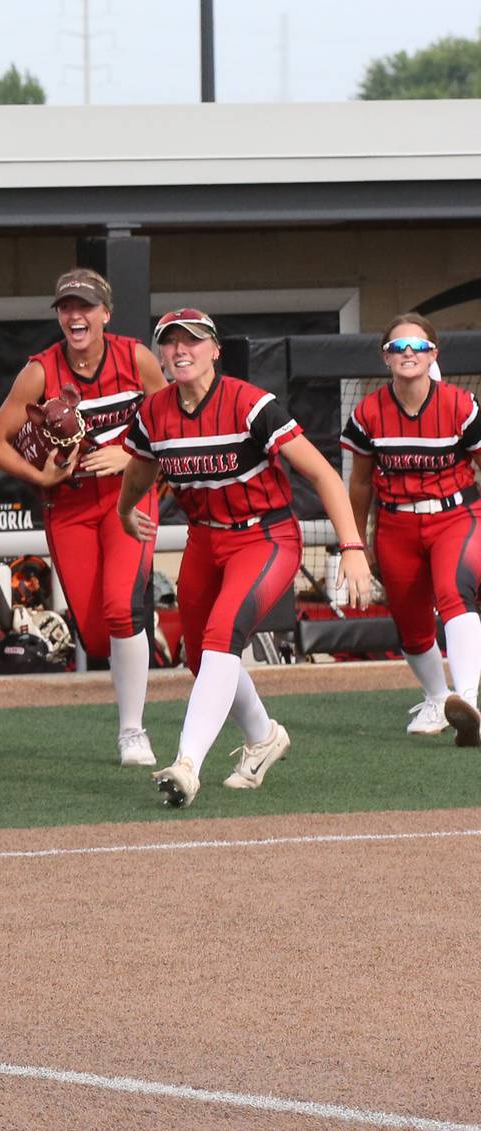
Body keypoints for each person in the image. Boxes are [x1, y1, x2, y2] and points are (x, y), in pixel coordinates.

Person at [118, 309, 372, 807]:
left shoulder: (252, 404)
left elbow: (322, 474)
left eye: (192, 341)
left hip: (265, 536)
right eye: (169, 343)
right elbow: (138, 470)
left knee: (220, 638)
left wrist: (353, 547)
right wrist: (126, 509)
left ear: (216, 350)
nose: (180, 350)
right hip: (204, 540)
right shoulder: (153, 413)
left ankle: (187, 765)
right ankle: (263, 737)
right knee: (199, 654)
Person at [0, 268, 167, 766]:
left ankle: (132, 731)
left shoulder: (136, 357)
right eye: (66, 306)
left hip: (129, 498)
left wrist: (132, 457)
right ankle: (128, 666)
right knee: (96, 631)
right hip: (71, 505)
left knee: (122, 608)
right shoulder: (40, 372)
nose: (75, 315)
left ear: (105, 313)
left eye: (85, 306)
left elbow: (175, 424)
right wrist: (41, 478)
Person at [342, 314, 481, 746]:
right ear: (385, 357)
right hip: (395, 522)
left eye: (418, 347)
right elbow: (360, 481)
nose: (408, 353)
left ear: (433, 355)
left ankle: (469, 700)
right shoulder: (367, 413)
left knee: (454, 591)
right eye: (398, 347)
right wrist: (355, 544)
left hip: (455, 515)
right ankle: (438, 698)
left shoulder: (461, 405)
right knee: (409, 620)